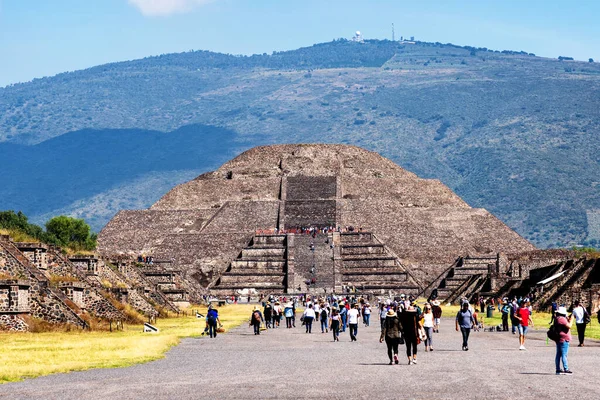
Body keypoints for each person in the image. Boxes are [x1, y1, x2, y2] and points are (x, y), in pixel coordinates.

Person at [554, 306, 573, 374]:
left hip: (559, 338)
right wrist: (572, 319)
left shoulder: (557, 318)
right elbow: (569, 326)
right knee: (564, 354)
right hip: (564, 338)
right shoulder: (562, 319)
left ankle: (558, 369)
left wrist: (568, 318)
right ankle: (566, 368)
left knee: (559, 354)